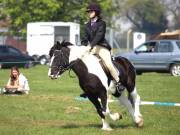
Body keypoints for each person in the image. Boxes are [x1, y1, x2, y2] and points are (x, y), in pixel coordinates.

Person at [80, 3, 124, 97]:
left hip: (101, 47)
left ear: (96, 12)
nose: (89, 13)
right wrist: (83, 46)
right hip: (91, 48)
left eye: (91, 11)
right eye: (88, 11)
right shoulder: (87, 25)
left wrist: (90, 45)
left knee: (108, 64)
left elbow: (99, 36)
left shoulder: (102, 23)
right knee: (83, 64)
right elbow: (84, 37)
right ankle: (87, 87)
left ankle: (118, 82)